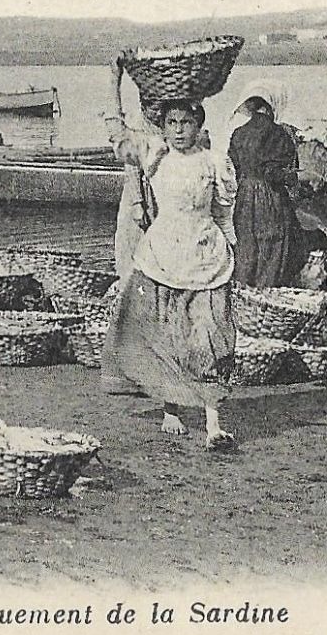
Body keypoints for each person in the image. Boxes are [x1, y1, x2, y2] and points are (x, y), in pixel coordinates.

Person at [100, 100, 237, 451]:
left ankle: (214, 423)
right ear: (163, 127)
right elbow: (118, 132)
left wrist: (231, 246)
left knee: (210, 336)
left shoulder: (215, 162)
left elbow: (223, 213)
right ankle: (171, 409)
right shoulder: (155, 156)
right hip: (164, 254)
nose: (179, 129)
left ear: (199, 125)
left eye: (187, 122)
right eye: (172, 122)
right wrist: (114, 83)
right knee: (169, 334)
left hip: (206, 254)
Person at [228, 95, 299, 288]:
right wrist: (292, 179)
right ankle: (265, 295)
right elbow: (276, 173)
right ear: (270, 107)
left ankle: (242, 295)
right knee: (272, 246)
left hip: (244, 195)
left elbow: (235, 165)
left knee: (247, 246)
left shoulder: (238, 133)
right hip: (270, 196)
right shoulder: (279, 133)